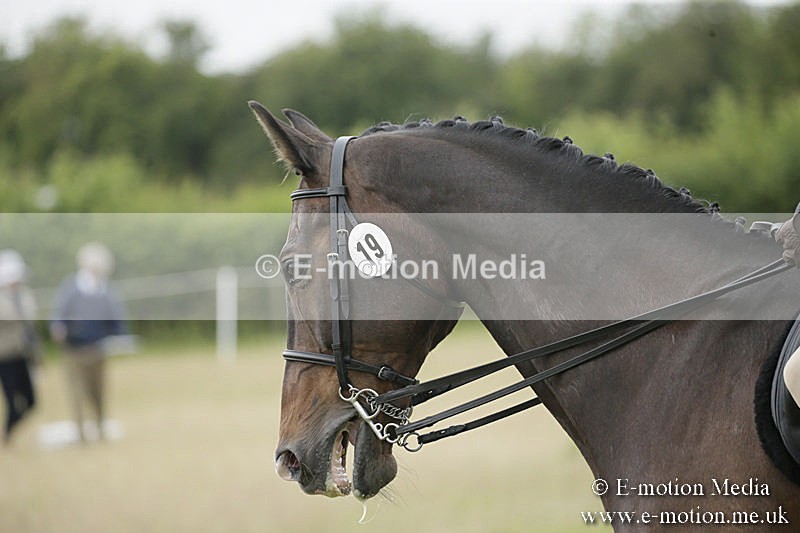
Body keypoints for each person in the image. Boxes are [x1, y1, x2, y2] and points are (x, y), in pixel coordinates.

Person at [50, 242, 126, 443]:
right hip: (74, 350)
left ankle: (100, 427)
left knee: (97, 392)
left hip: (98, 349)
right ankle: (80, 434)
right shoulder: (71, 288)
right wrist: (59, 328)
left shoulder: (106, 291)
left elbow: (116, 319)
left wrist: (120, 337)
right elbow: (59, 315)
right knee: (77, 393)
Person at [0, 250, 40, 446]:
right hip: (5, 357)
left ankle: (10, 430)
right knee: (11, 400)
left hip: (23, 354)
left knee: (31, 401)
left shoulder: (25, 297)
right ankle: (7, 434)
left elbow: (31, 328)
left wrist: (36, 353)